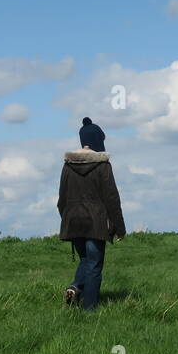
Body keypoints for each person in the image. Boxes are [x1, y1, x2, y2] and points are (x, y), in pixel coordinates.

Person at [57, 120, 125, 310]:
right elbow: (112, 198)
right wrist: (119, 228)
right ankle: (90, 308)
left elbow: (62, 198)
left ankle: (74, 287)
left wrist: (67, 217)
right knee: (94, 265)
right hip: (95, 222)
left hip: (73, 220)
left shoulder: (67, 165)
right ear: (97, 140)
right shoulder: (103, 165)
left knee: (86, 260)